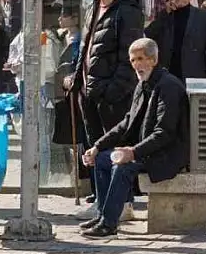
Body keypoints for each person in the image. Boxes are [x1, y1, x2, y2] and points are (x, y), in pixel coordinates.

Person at [80, 38, 189, 238]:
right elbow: (127, 122)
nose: (137, 65)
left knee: (122, 167)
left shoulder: (168, 86)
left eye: (141, 59)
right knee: (102, 159)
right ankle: (102, 214)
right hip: (145, 150)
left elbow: (164, 133)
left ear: (154, 60)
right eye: (133, 61)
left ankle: (109, 224)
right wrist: (97, 146)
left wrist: (133, 152)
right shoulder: (142, 85)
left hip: (166, 154)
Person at [66, 0, 145, 217]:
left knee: (115, 148)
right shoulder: (93, 7)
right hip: (88, 91)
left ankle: (122, 204)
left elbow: (129, 56)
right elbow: (85, 48)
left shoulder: (127, 10)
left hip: (111, 93)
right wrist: (76, 79)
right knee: (94, 148)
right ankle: (102, 201)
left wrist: (114, 89)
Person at [143, 0, 206, 80]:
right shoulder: (165, 15)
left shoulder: (204, 17)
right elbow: (149, 35)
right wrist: (165, 14)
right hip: (167, 72)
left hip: (193, 73)